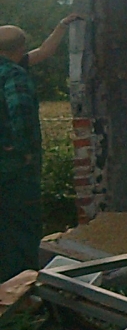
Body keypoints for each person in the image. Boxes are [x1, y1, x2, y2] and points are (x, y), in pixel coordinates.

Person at [0, 14, 81, 282]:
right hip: (13, 171)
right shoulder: (14, 74)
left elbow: (44, 52)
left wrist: (61, 26)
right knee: (21, 228)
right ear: (20, 49)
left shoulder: (10, 64)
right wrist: (24, 153)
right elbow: (21, 115)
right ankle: (19, 287)